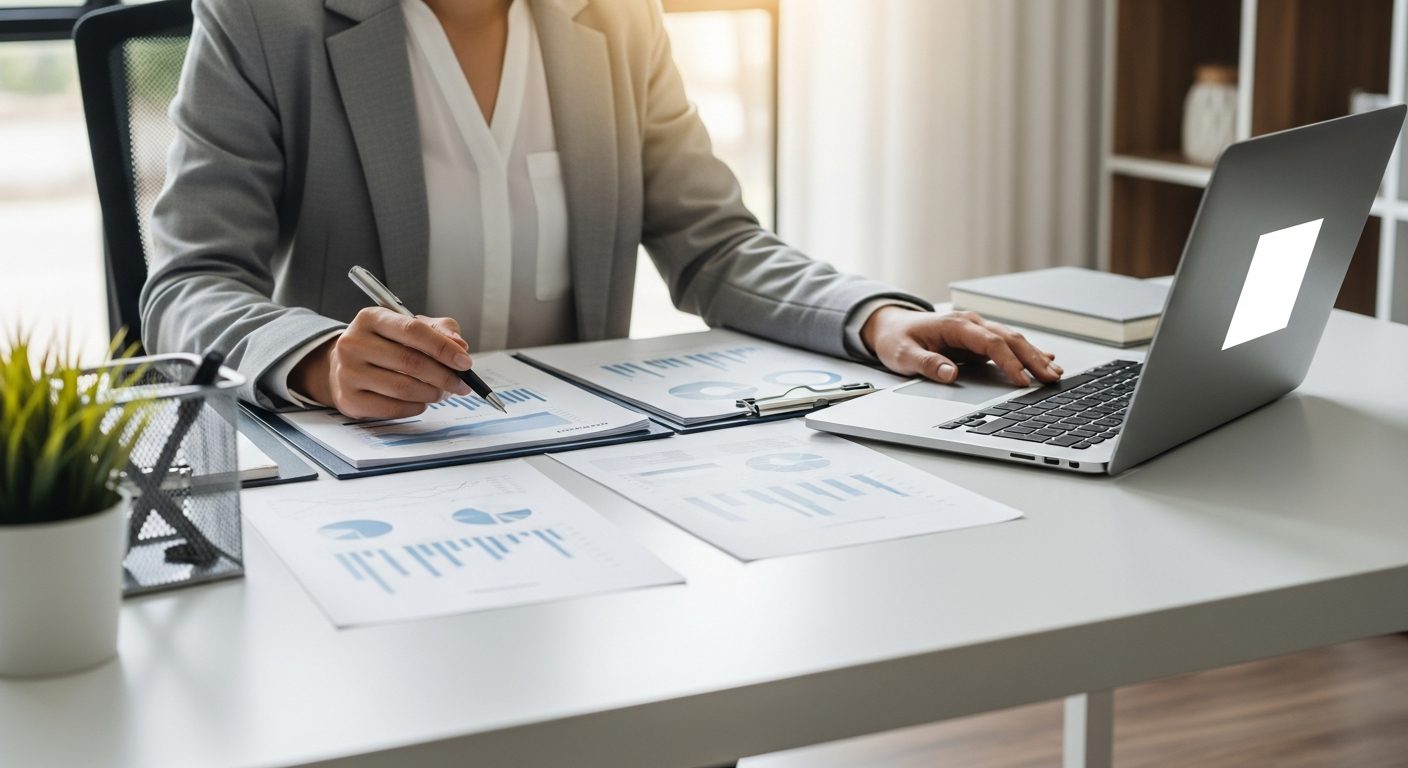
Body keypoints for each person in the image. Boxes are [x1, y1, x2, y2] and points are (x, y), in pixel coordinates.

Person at [142, 0, 1061, 419]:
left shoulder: (619, 18)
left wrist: (874, 317)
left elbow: (714, 245)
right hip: (370, 470)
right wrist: (318, 362)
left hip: (586, 456)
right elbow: (189, 284)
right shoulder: (263, 18)